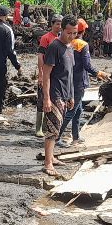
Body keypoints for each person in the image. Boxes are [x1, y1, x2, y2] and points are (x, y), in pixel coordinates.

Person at [58, 21, 107, 147]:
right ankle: (57, 137)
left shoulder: (67, 43)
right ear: (84, 31)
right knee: (71, 111)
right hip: (79, 82)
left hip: (68, 80)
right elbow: (87, 65)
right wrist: (99, 73)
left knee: (78, 110)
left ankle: (76, 136)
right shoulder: (82, 45)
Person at [40, 18, 77, 175]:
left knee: (58, 127)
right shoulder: (54, 46)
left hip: (65, 94)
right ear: (62, 29)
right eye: (69, 33)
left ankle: (52, 157)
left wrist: (71, 95)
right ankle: (48, 163)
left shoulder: (70, 47)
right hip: (54, 94)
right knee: (52, 129)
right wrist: (46, 98)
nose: (72, 36)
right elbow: (46, 75)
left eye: (75, 33)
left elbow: (69, 74)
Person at [36, 16, 64, 136]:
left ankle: (47, 125)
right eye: (57, 24)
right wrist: (41, 74)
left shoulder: (63, 38)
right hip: (47, 71)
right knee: (42, 98)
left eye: (61, 24)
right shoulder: (46, 38)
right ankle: (38, 128)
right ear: (52, 25)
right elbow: (40, 56)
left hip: (57, 74)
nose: (59, 26)